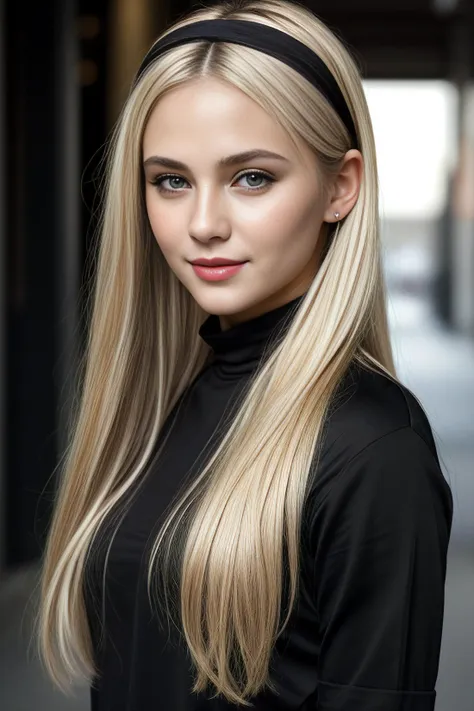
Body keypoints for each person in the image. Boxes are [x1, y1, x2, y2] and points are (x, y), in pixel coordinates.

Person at [36, 1, 453, 709]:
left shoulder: (374, 447)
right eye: (171, 180)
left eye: (251, 177)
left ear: (340, 187)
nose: (203, 224)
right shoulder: (164, 404)